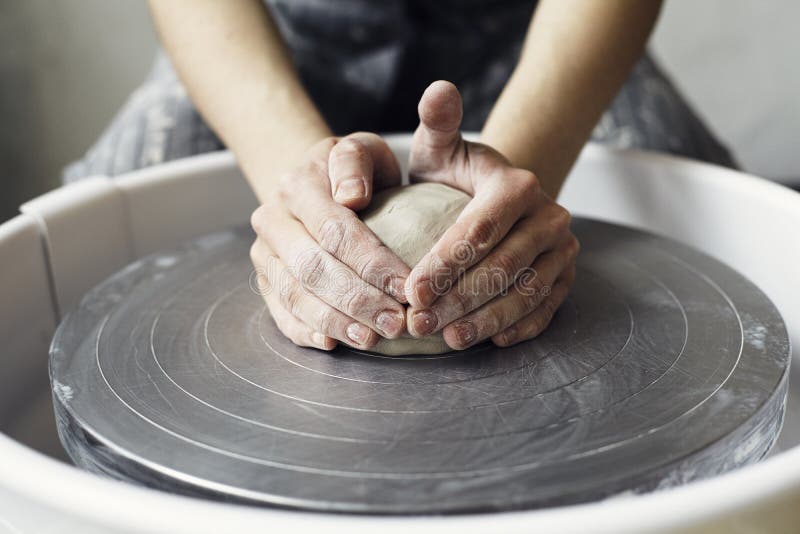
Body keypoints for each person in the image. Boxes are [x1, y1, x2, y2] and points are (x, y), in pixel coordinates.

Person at [65, 0, 734, 352]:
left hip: (531, 36)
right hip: (279, 40)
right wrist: (302, 203)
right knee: (81, 263)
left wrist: (519, 186)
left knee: (719, 237)